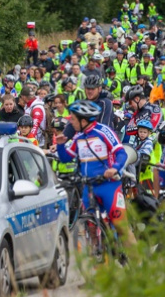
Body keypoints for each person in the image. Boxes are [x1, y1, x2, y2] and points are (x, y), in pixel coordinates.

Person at [55, 100, 136, 248]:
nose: (70, 123)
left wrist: (115, 168)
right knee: (91, 228)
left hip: (109, 186)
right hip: (89, 187)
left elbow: (121, 153)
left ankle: (139, 264)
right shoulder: (79, 138)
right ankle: (100, 260)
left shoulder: (103, 131)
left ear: (83, 120)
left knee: (121, 226)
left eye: (73, 119)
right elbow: (66, 158)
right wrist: (60, 145)